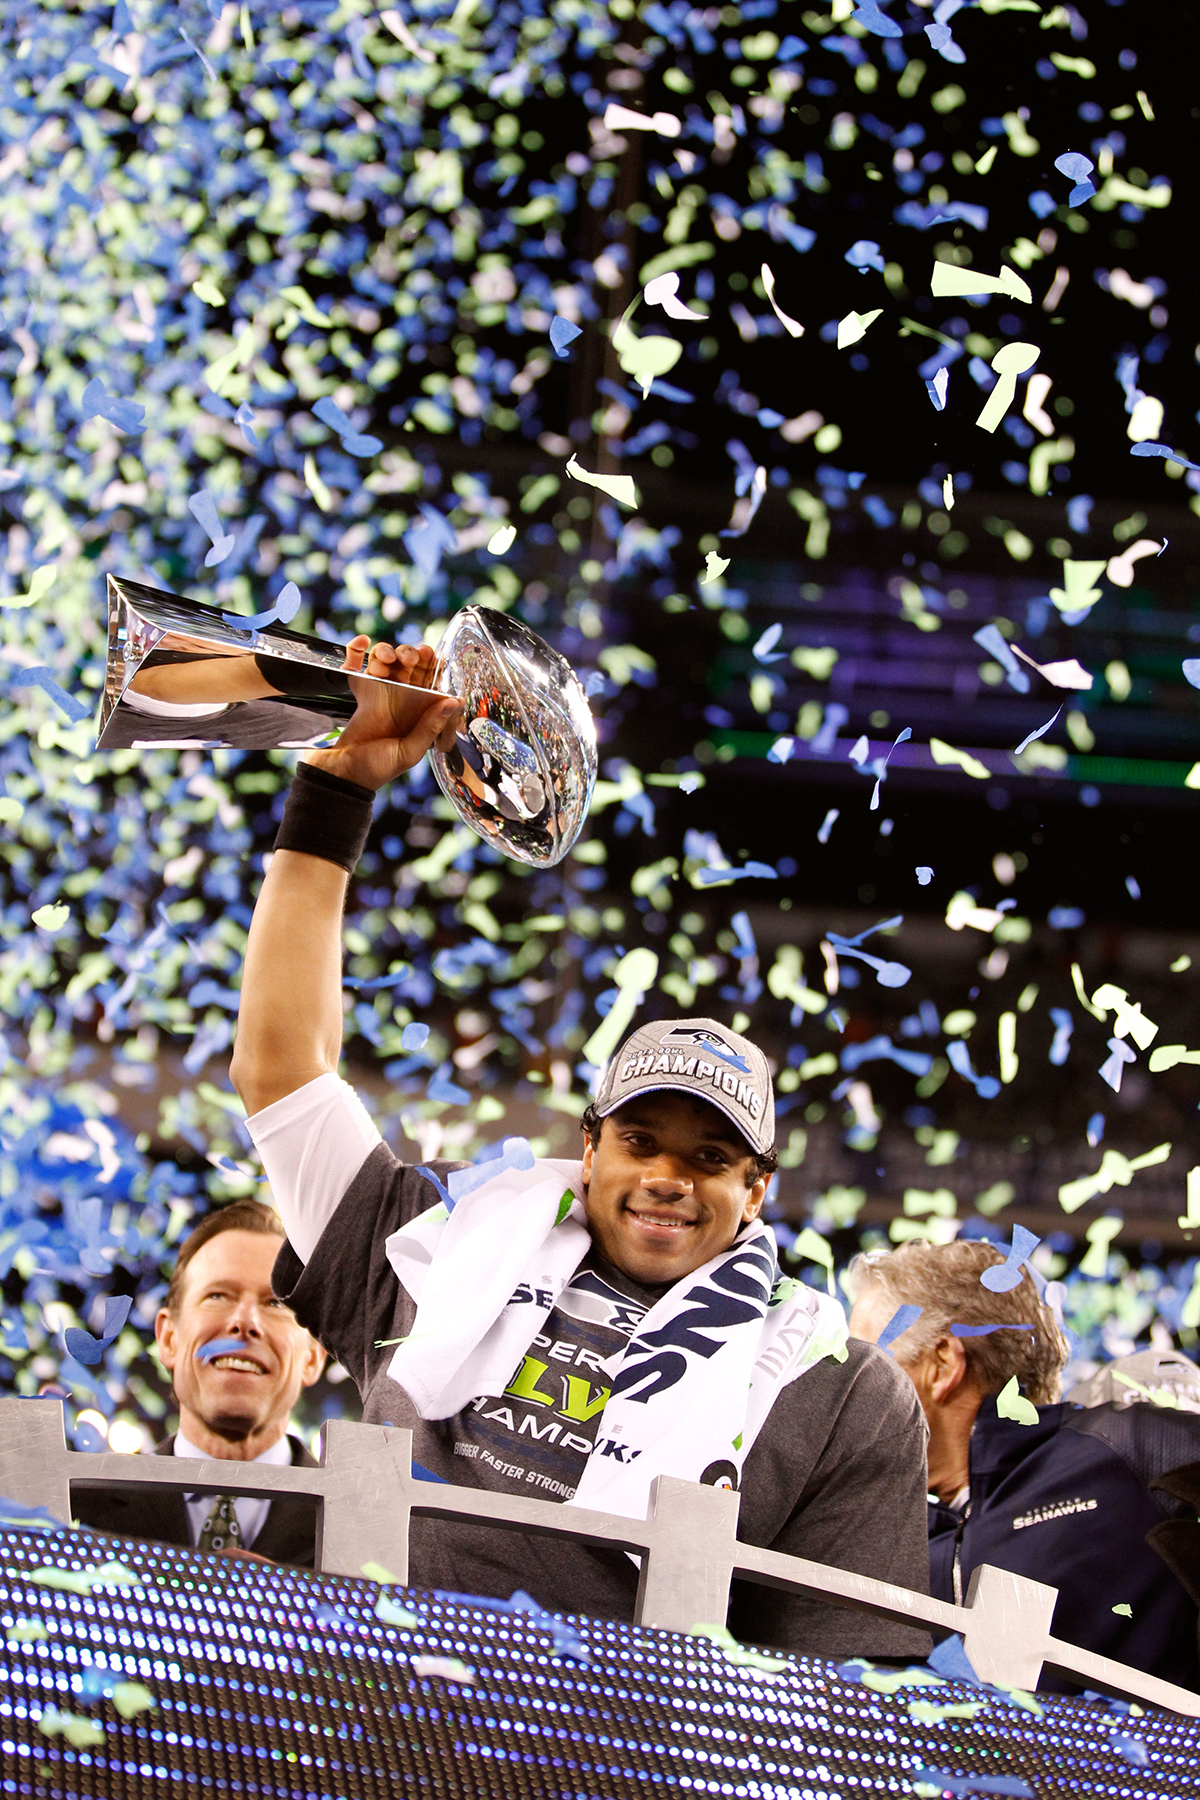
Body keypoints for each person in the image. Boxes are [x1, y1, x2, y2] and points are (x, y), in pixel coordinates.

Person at [228, 632, 932, 1659]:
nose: (664, 1179)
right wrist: (336, 790)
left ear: (760, 1190)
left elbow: (848, 1682)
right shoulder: (432, 1242)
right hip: (360, 1720)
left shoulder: (839, 1390)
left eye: (708, 1160)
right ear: (589, 1145)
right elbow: (282, 1074)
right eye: (642, 1140)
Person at [846, 1237, 1200, 1691]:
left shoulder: (1127, 1451)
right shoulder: (888, 1538)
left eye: (864, 1361)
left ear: (941, 1364)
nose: (846, 1388)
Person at [74, 1199, 325, 1566]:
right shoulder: (75, 1515)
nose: (245, 1321)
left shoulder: (375, 1533)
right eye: (218, 1295)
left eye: (275, 1303)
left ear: (314, 1356)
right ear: (169, 1339)